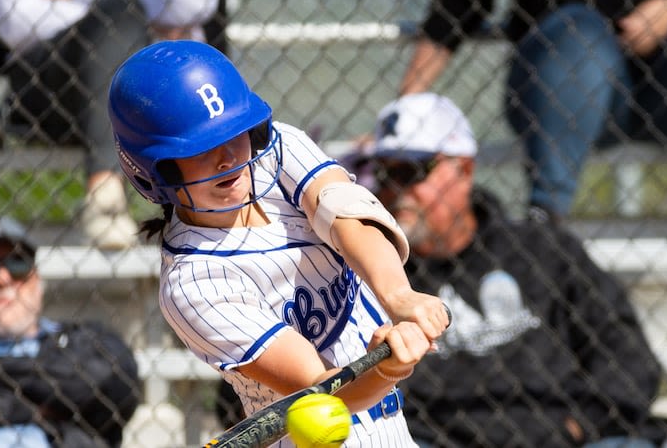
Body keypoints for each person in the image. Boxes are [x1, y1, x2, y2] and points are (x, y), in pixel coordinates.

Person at [108, 40, 450, 447]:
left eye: (235, 133)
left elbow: (347, 215)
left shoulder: (275, 151)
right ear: (154, 171)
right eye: (200, 149)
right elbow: (322, 390)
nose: (228, 158)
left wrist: (399, 295)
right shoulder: (192, 283)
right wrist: (387, 369)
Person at [358, 92, 667, 447]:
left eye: (411, 171)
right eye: (384, 173)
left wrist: (577, 426)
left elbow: (627, 355)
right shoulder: (374, 279)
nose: (395, 189)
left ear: (464, 170)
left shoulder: (542, 249)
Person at [399, 0, 667, 236]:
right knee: (577, 34)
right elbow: (461, 5)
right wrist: (403, 110)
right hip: (561, 87)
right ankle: (546, 221)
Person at [0, 0, 221, 249]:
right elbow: (15, 22)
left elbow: (192, 6)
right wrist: (115, 18)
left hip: (154, 67)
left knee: (120, 18)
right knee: (116, 16)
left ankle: (112, 201)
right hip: (49, 79)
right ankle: (105, 193)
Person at [0, 213, 140, 447]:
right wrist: (47, 405)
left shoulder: (85, 339)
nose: (3, 278)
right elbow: (79, 390)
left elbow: (113, 386)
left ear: (37, 277)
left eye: (17, 262)